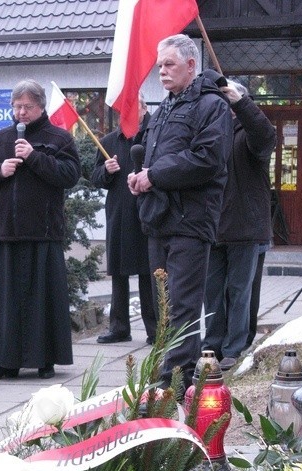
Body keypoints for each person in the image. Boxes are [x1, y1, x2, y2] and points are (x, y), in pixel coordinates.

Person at [128, 34, 233, 392]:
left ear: (191, 65)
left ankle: (175, 385)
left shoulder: (212, 106)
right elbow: (156, 159)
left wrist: (153, 175)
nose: (162, 71)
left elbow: (207, 160)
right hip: (160, 219)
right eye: (159, 65)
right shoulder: (164, 108)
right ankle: (166, 378)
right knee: (163, 308)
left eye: (169, 64)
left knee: (182, 309)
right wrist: (140, 176)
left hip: (191, 222)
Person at [0, 79, 81, 381]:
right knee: (7, 304)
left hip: (43, 232)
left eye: (27, 107)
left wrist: (34, 157)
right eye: (17, 106)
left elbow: (70, 175)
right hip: (9, 231)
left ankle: (46, 360)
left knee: (43, 300)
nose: (21, 112)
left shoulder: (58, 138)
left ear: (41, 106)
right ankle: (4, 363)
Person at [202, 80, 276, 370]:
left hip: (245, 227)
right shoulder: (214, 131)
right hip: (214, 225)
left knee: (239, 290)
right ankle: (212, 346)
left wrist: (241, 103)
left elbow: (265, 135)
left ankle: (234, 347)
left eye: (229, 99)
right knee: (212, 292)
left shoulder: (250, 133)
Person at [91, 95, 157, 345]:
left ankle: (154, 329)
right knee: (118, 273)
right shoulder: (109, 142)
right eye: (122, 110)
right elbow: (95, 177)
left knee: (148, 273)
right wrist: (105, 171)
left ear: (144, 108)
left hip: (148, 213)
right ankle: (119, 327)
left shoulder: (154, 137)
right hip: (119, 214)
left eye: (131, 108)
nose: (126, 115)